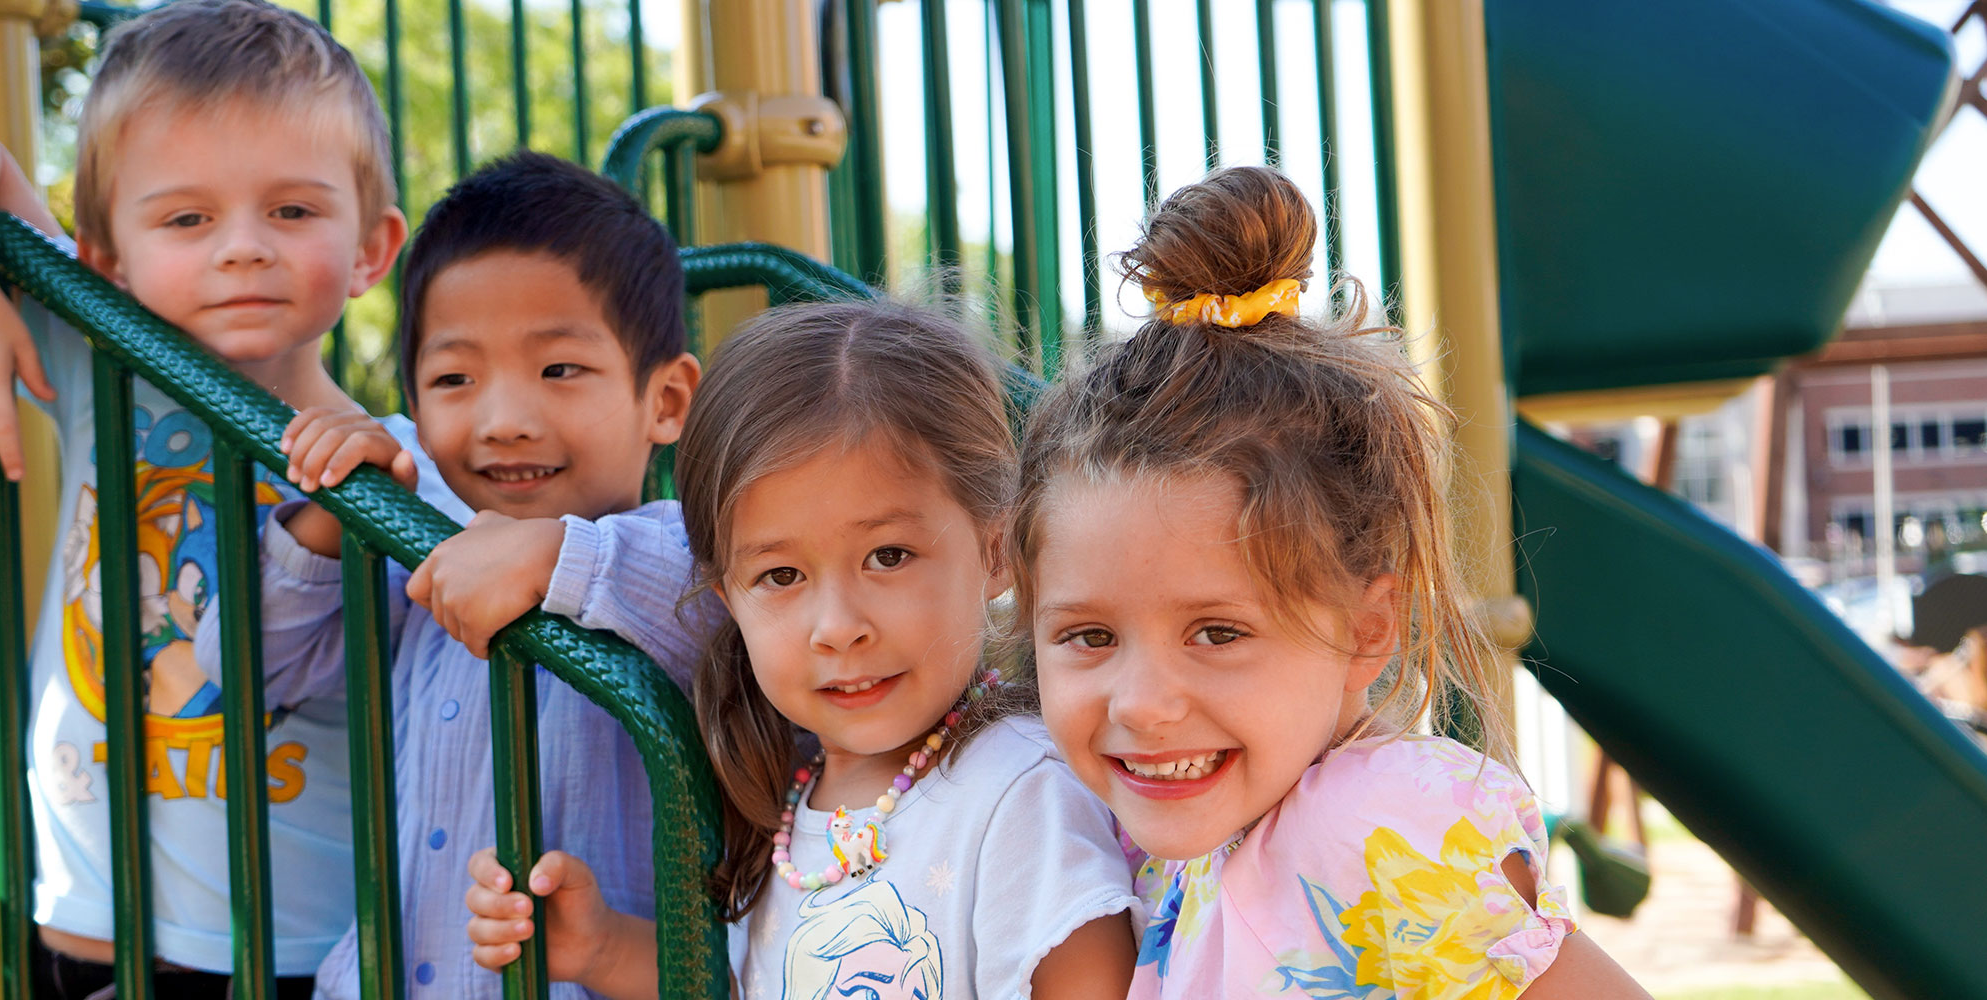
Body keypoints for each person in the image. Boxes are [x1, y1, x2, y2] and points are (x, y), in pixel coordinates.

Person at [0, 2, 422, 995]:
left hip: (301, 958)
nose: (243, 247)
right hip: (86, 933)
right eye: (187, 218)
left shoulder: (393, 473)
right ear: (104, 257)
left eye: (292, 212)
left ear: (372, 247)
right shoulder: (105, 367)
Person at [1015, 165, 1649, 998]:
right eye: (1090, 637)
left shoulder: (1374, 828)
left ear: (1366, 627)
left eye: (1217, 632)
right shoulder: (1161, 840)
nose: (1140, 703)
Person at [462, 298, 1142, 999]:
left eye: (888, 555)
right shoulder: (789, 802)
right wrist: (602, 948)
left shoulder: (1020, 790)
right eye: (781, 576)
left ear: (995, 550)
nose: (838, 625)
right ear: (727, 598)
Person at [233, 149, 712, 1000]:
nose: (504, 421)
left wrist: (558, 555)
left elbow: (717, 592)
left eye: (559, 369)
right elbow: (243, 665)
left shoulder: (684, 552)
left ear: (665, 401)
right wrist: (336, 518)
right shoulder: (420, 549)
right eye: (455, 378)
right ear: (414, 407)